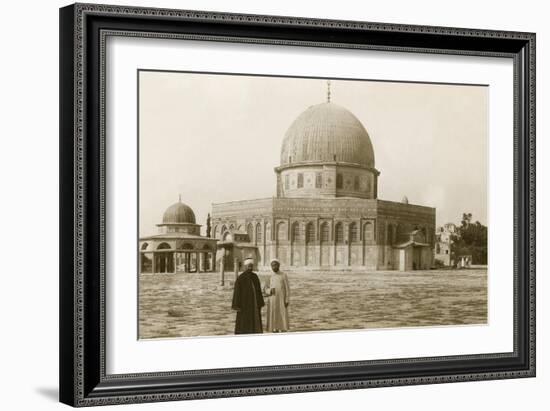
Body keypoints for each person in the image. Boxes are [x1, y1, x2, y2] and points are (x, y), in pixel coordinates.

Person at [231, 258, 265, 334]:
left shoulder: (255, 277)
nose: (250, 267)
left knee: (255, 321)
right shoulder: (241, 278)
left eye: (251, 266)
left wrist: (260, 302)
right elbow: (237, 292)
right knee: (244, 323)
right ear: (245, 266)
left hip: (254, 304)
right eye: (248, 266)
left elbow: (259, 291)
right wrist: (236, 305)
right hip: (244, 305)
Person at [264, 258, 290, 332]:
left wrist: (287, 299)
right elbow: (265, 288)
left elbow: (287, 289)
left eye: (275, 265)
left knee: (281, 314)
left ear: (279, 265)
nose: (274, 267)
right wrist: (269, 291)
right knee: (273, 315)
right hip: (272, 300)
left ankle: (282, 328)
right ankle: (274, 329)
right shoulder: (269, 276)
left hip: (281, 300)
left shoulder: (283, 275)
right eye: (272, 266)